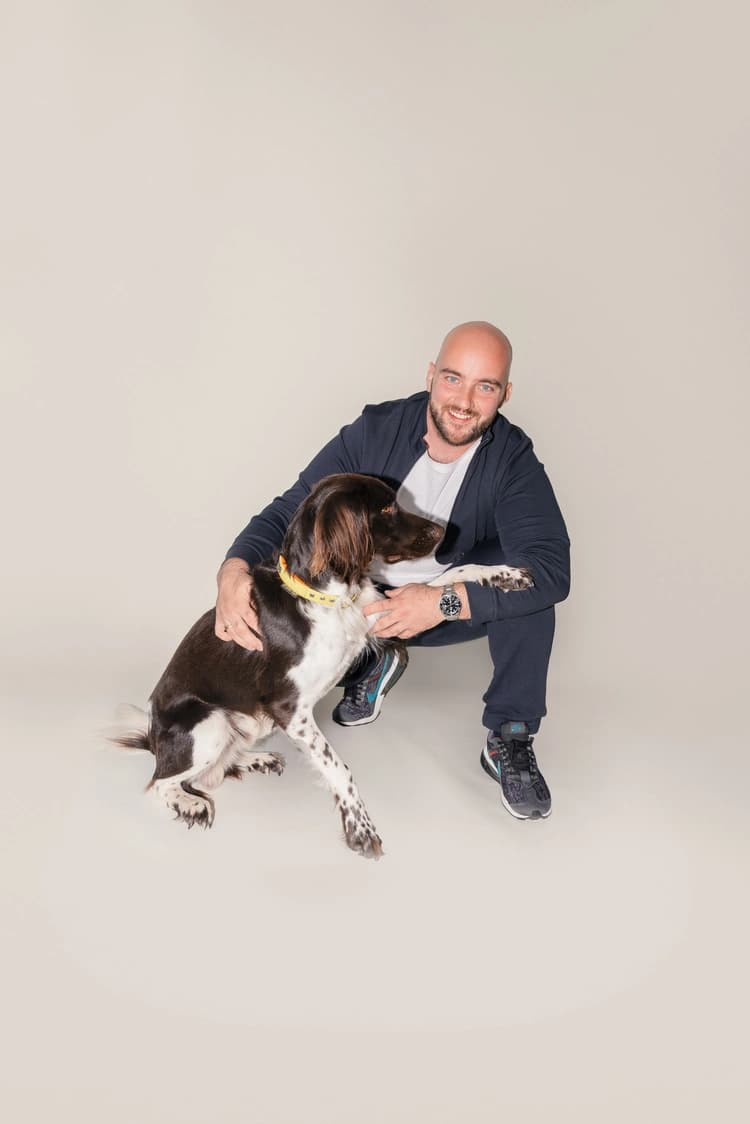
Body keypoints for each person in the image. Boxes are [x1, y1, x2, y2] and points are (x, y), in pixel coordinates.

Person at [216, 321, 570, 820]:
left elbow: (551, 571)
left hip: (444, 606)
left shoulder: (512, 461)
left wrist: (442, 602)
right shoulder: (376, 431)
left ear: (504, 394)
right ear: (431, 375)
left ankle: (510, 736)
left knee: (527, 591)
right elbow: (291, 509)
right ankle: (373, 659)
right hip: (361, 604)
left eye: (484, 386)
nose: (465, 400)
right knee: (282, 597)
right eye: (453, 379)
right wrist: (232, 569)